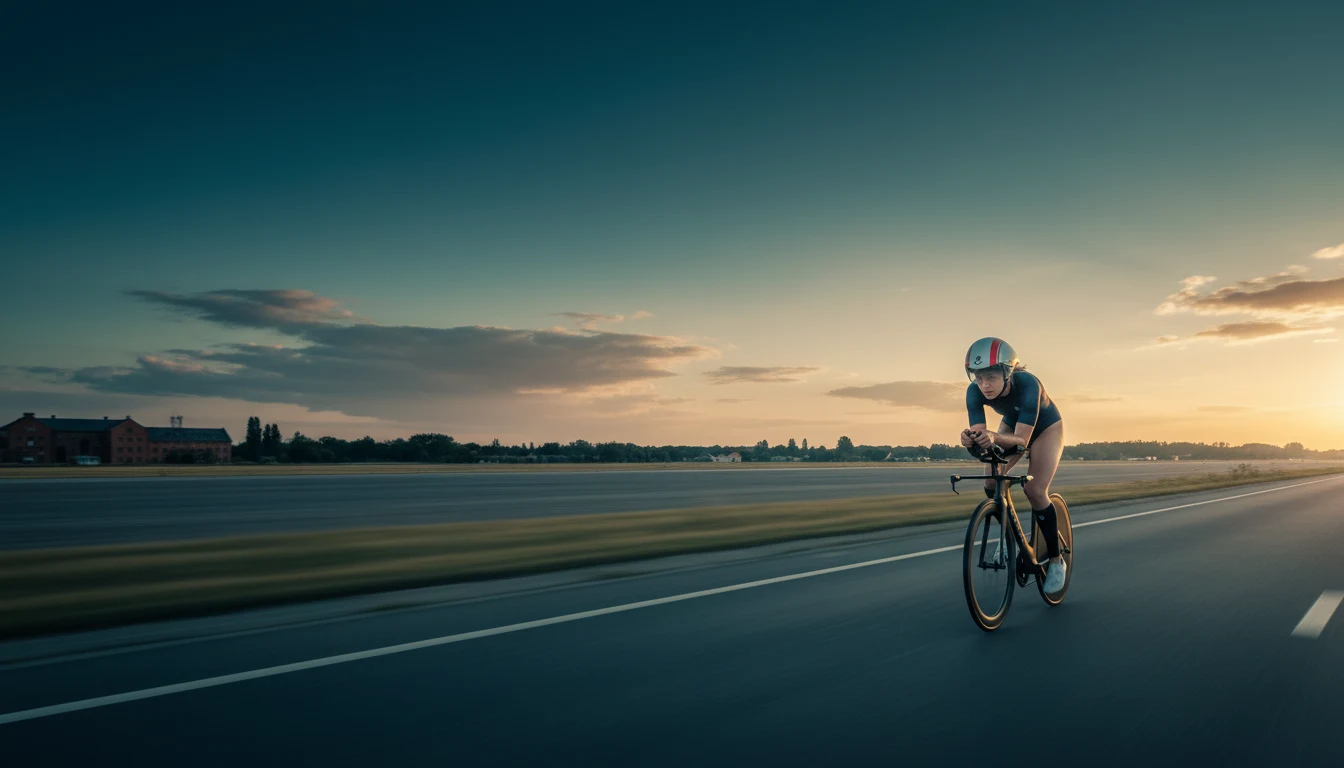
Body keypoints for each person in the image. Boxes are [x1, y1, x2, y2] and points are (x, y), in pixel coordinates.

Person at [959, 337, 1067, 593]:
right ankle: (1009, 536)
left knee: (1034, 490)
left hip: (1045, 429)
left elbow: (1021, 441)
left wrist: (994, 437)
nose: (984, 385)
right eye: (979, 377)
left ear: (1009, 373)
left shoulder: (1028, 383)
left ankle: (1056, 560)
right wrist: (971, 441)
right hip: (1013, 424)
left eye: (992, 377)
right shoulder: (973, 391)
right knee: (990, 477)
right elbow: (983, 445)